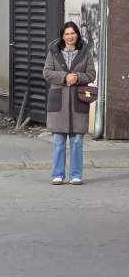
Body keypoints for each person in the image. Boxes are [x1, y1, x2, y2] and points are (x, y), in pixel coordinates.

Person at [43, 22, 97, 185]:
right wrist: (64, 77)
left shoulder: (85, 52)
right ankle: (58, 174)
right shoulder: (54, 51)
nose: (70, 36)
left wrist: (77, 77)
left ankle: (76, 175)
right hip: (58, 102)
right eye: (67, 34)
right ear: (62, 36)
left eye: (73, 33)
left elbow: (91, 74)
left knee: (77, 141)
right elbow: (47, 73)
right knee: (59, 141)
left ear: (77, 35)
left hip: (77, 102)